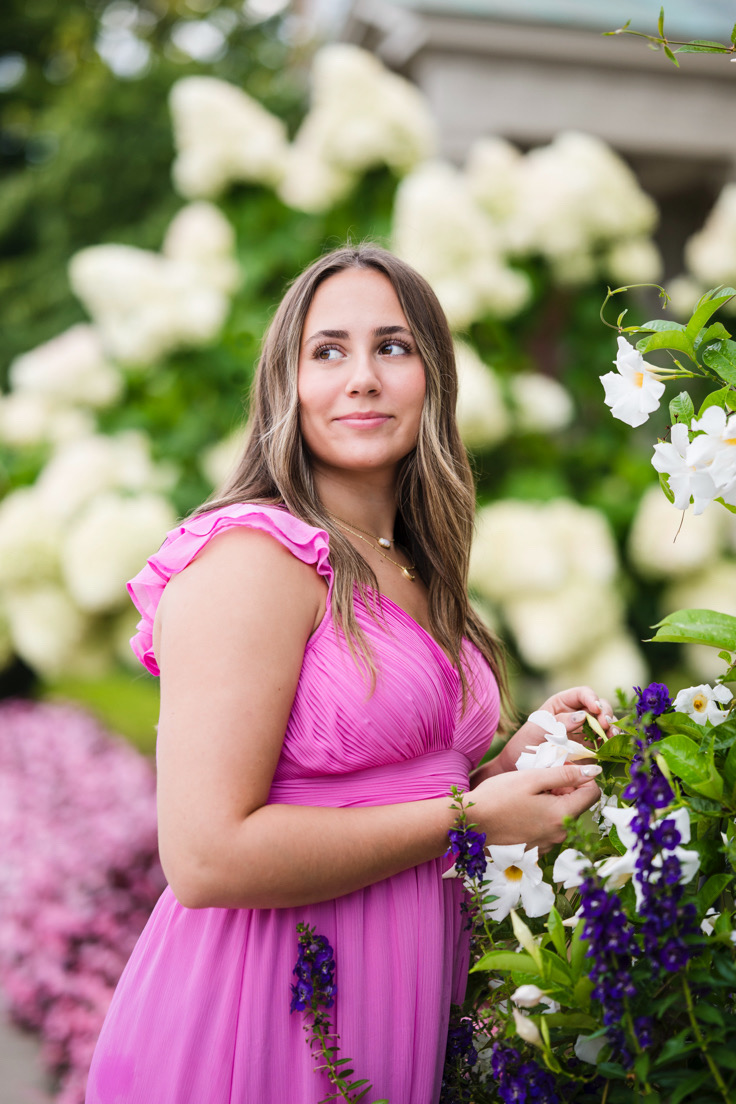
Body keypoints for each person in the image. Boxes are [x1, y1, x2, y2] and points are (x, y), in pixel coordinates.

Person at [85, 244, 609, 1104]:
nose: (361, 377)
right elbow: (205, 856)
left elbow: (388, 791)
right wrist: (467, 814)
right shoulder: (252, 558)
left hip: (389, 1011)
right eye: (327, 351)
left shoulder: (412, 563)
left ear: (433, 379)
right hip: (257, 1019)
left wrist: (509, 767)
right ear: (284, 386)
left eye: (392, 348)